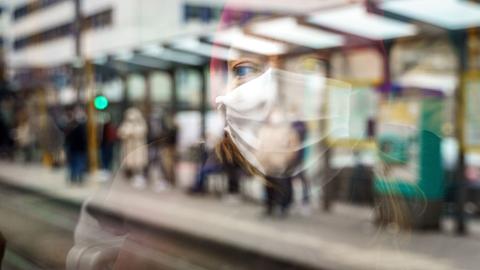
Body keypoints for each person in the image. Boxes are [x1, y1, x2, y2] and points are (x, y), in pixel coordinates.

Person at [118, 107, 148, 189]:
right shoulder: (126, 124)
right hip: (129, 147)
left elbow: (141, 132)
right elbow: (121, 132)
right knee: (130, 163)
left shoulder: (141, 123)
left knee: (139, 163)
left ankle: (139, 176)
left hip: (138, 147)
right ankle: (130, 175)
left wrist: (132, 133)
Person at [64, 107, 88, 185]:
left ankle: (74, 178)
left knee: (74, 164)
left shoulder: (71, 128)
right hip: (78, 149)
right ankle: (77, 178)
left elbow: (67, 139)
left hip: (74, 149)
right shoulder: (80, 128)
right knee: (78, 163)